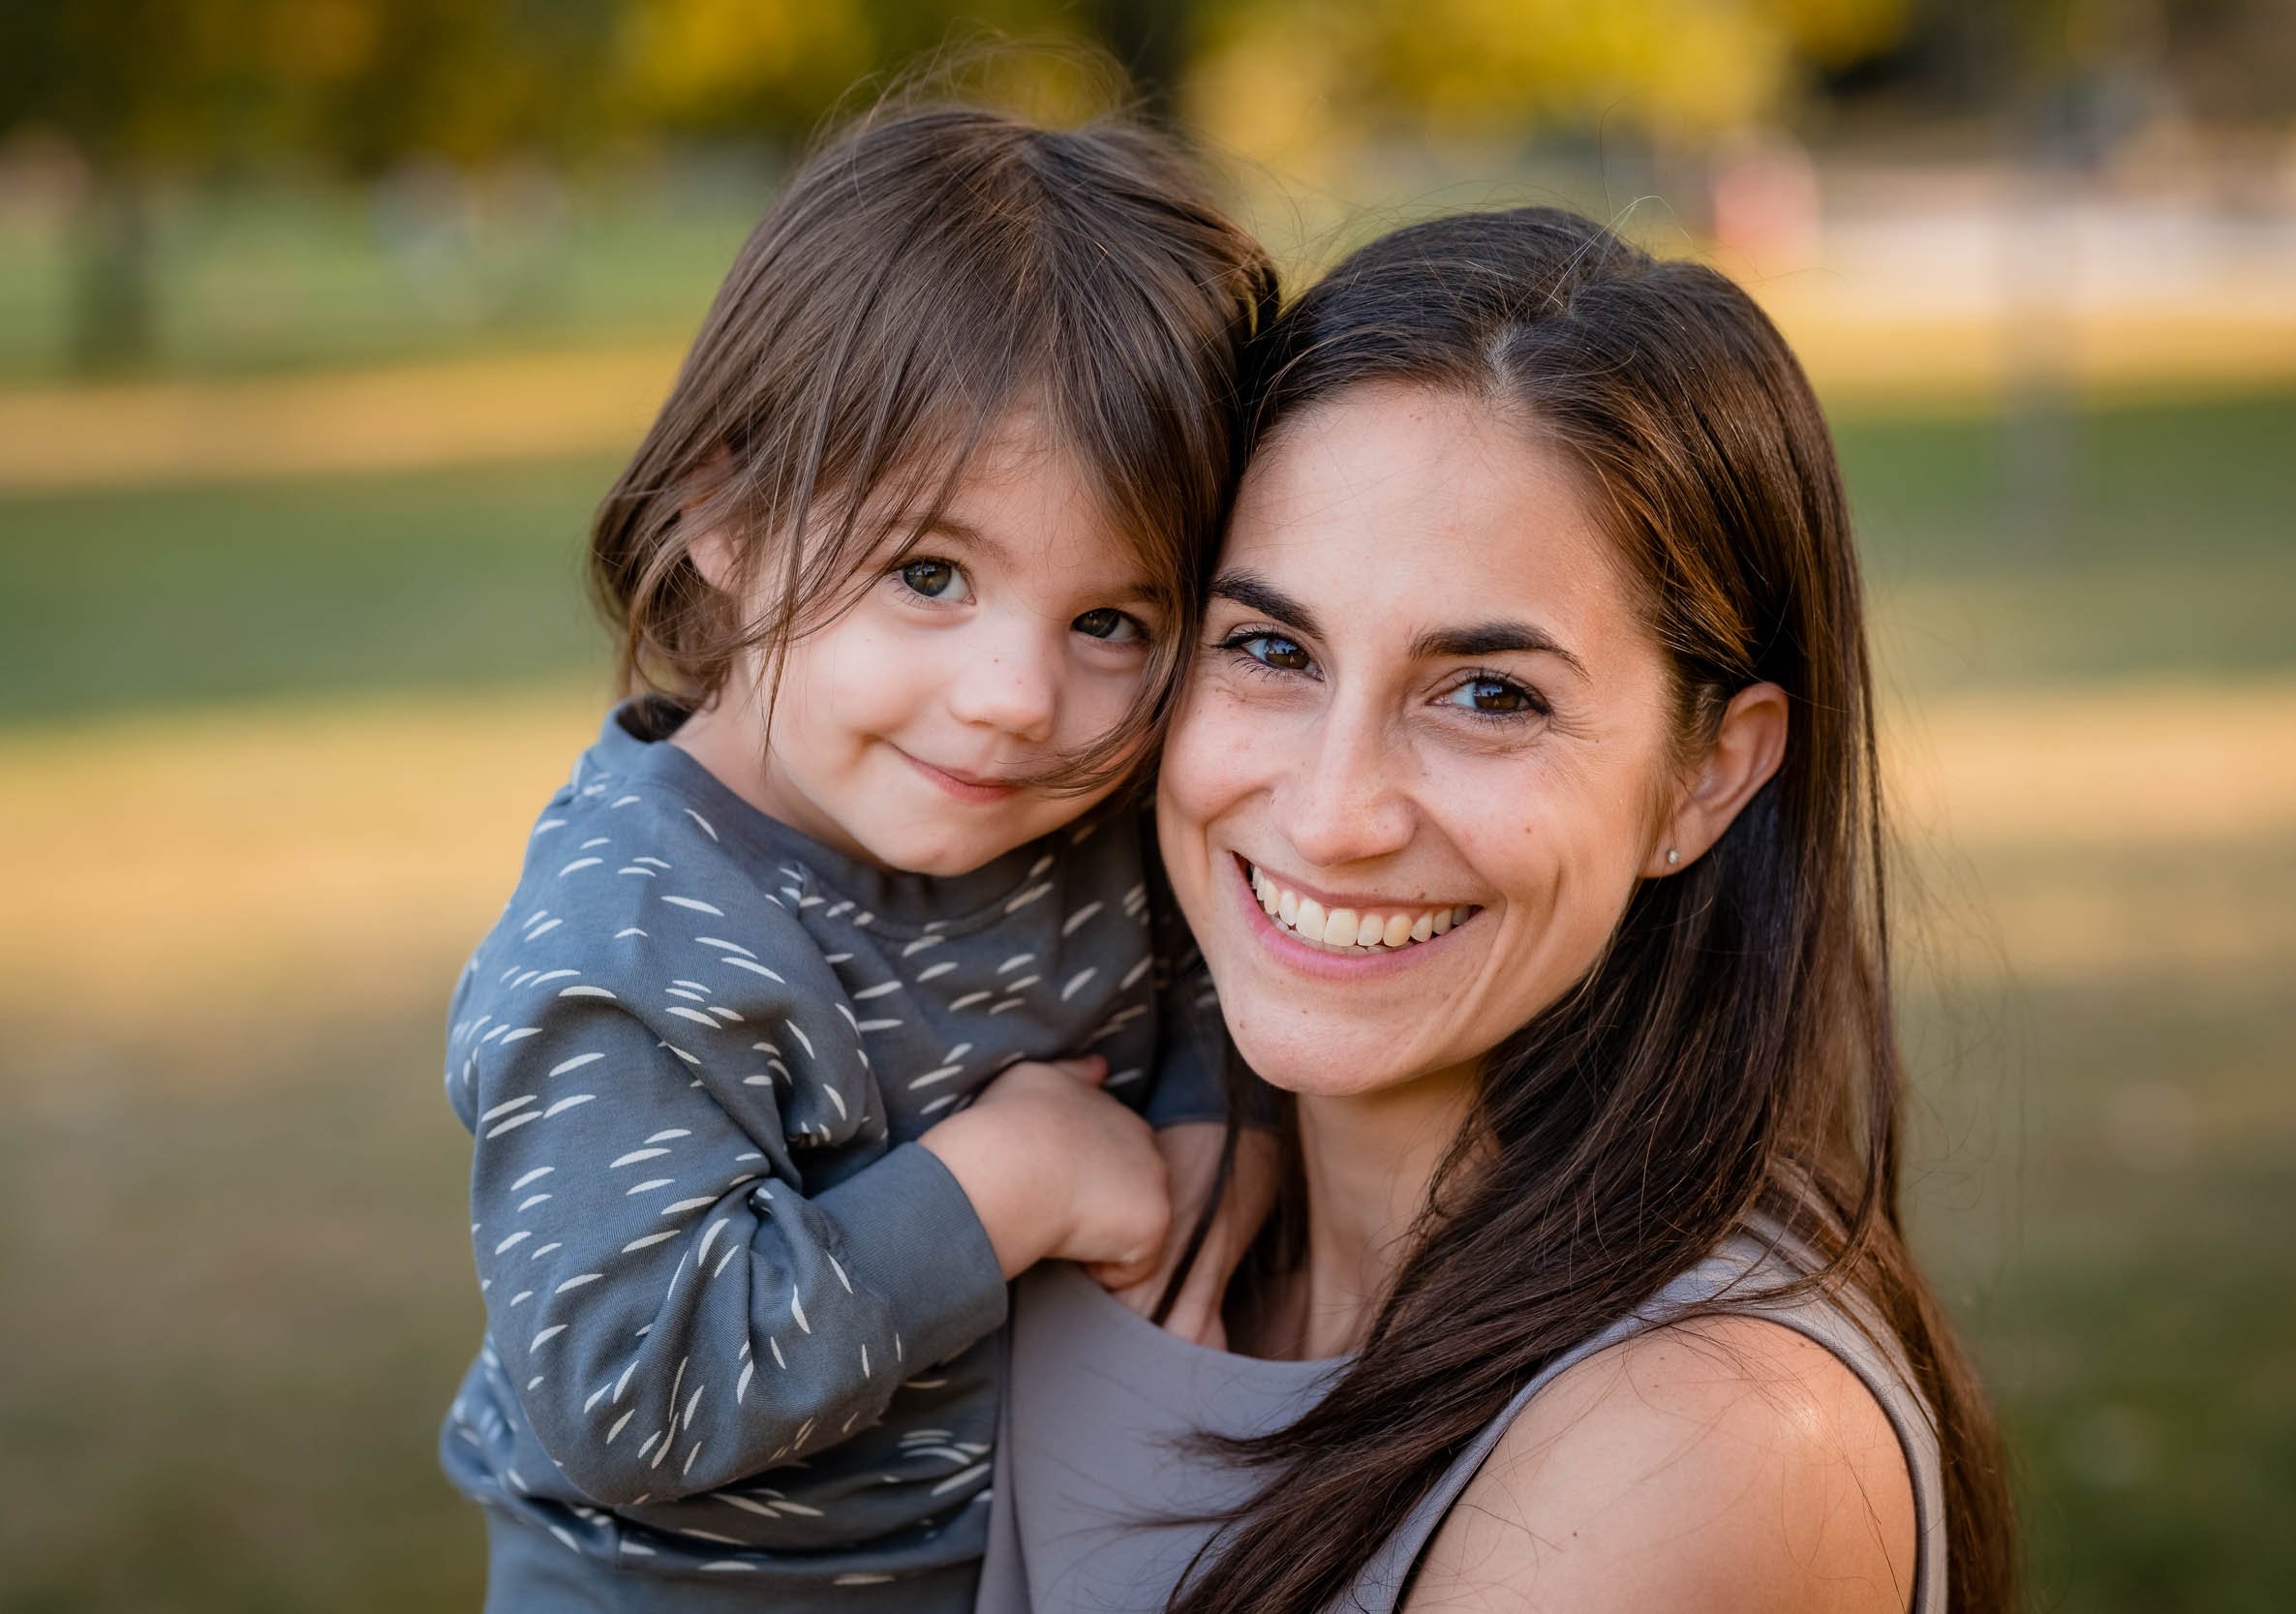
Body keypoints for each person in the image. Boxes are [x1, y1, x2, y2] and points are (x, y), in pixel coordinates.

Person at [979, 208, 2017, 1613]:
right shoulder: (1054, 1168)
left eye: (1490, 695)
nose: (1335, 813)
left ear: (1707, 776)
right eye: (1272, 649)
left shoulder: (1696, 1445)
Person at [436, 100, 1279, 1612]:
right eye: (930, 574)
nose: (1018, 698)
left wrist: (1224, 1135)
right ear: (727, 512)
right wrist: (998, 1189)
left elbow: (1225, 977)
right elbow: (627, 1392)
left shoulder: (1078, 809)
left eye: (1111, 621)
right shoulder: (631, 944)